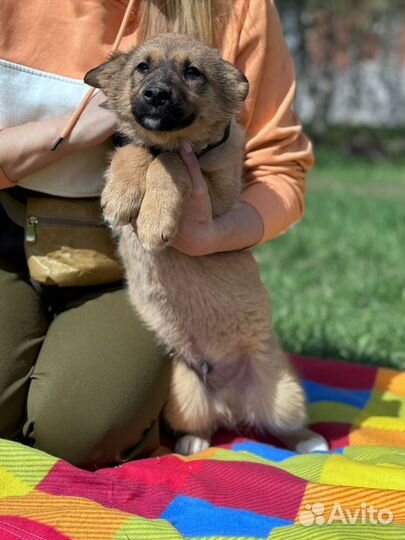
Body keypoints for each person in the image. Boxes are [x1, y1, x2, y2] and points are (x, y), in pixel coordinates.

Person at [0, 0, 314, 469]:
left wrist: (217, 233)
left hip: (127, 276)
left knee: (82, 429)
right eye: (143, 70)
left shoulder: (238, 9)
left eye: (191, 75)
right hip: (6, 236)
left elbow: (279, 165)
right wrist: (73, 130)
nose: (159, 88)